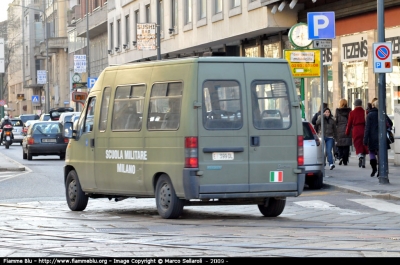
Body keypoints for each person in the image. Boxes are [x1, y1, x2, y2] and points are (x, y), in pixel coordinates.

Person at [363, 99, 393, 177]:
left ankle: (374, 169)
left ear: (373, 106)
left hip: (372, 137)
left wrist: (365, 139)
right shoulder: (383, 114)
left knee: (372, 153)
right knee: (381, 154)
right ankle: (381, 171)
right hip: (382, 136)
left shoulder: (370, 114)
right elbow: (390, 123)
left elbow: (367, 128)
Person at [345, 99, 369, 168]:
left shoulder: (352, 113)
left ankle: (360, 156)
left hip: (356, 130)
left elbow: (349, 124)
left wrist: (347, 132)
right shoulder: (365, 112)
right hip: (364, 129)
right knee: (364, 145)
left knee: (358, 145)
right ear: (361, 104)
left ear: (355, 105)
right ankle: (363, 163)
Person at [335, 99, 352, 166]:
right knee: (346, 146)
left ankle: (340, 157)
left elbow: (336, 120)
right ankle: (345, 160)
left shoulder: (338, 111)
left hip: (339, 129)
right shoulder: (349, 111)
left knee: (340, 145)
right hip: (347, 129)